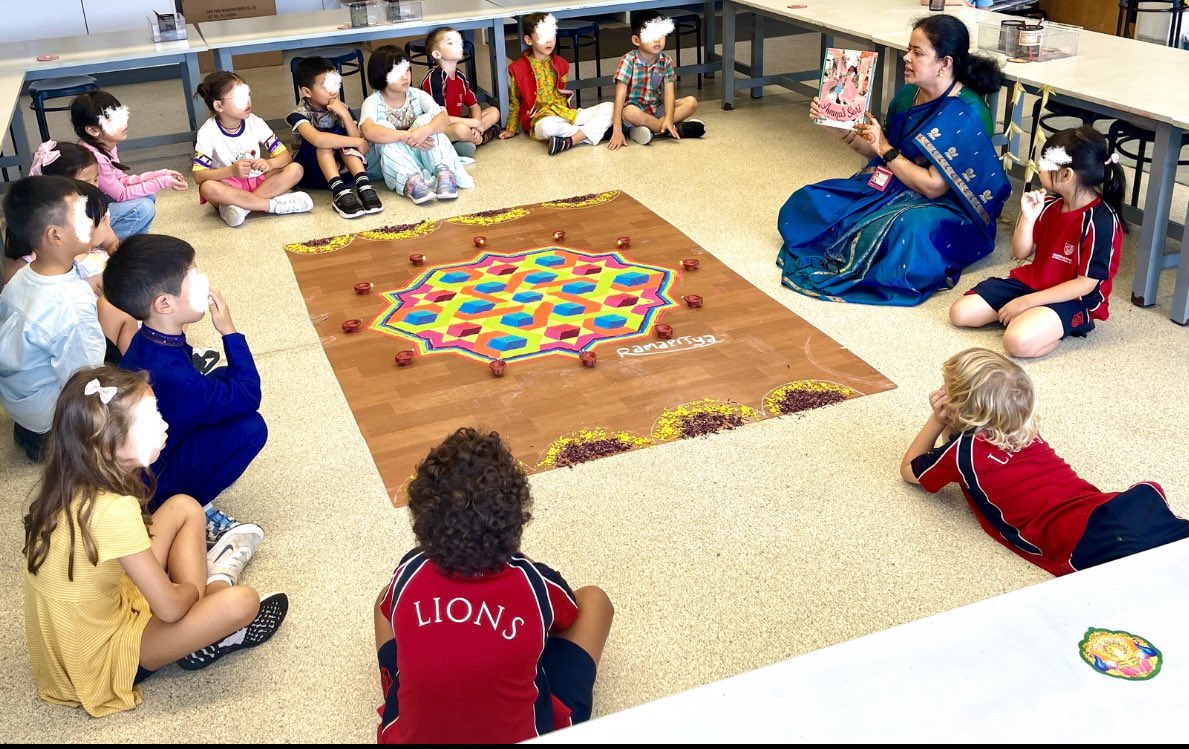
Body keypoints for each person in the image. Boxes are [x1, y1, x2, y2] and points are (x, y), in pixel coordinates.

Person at [22, 365, 287, 717]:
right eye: (148, 420)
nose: (163, 425)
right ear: (107, 446)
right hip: (101, 657)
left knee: (184, 506)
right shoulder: (115, 510)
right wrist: (193, 591)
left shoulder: (69, 485)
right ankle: (211, 606)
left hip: (81, 629)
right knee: (242, 602)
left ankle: (201, 620)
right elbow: (171, 609)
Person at [375, 427, 614, 743]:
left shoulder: (410, 572)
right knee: (596, 600)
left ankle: (398, 686)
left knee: (384, 598)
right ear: (515, 519)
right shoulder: (532, 582)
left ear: (422, 517)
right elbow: (568, 616)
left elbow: (391, 609)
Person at [777, 15, 1010, 306]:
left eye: (917, 52)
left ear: (945, 63)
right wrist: (837, 127)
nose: (906, 57)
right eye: (908, 48)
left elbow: (933, 187)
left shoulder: (969, 112)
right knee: (809, 201)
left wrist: (884, 147)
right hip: (894, 183)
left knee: (909, 230)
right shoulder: (907, 95)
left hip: (946, 205)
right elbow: (878, 153)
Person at [901, 348, 1189, 576]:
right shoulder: (1025, 428)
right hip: (1114, 507)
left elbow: (910, 470)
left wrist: (938, 419)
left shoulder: (964, 452)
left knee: (1149, 578)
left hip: (1080, 539)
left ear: (961, 407)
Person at [103, 234, 266, 546]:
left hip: (144, 456)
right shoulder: (174, 375)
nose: (205, 280)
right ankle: (188, 507)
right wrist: (229, 331)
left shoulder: (148, 339)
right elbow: (249, 395)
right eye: (195, 276)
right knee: (250, 427)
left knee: (221, 377)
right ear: (164, 303)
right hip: (151, 484)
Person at [950, 127, 1125, 358]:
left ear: (1066, 175)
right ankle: (1034, 317)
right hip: (1034, 284)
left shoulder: (1102, 222)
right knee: (960, 314)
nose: (1038, 167)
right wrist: (1028, 218)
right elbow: (1020, 253)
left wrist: (1024, 303)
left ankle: (1065, 323)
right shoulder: (1051, 205)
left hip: (1074, 299)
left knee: (1016, 342)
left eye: (1044, 163)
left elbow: (1085, 284)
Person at [0, 176, 111, 461]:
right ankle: (59, 443)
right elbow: (87, 382)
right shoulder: (72, 308)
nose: (91, 221)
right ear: (55, 235)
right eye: (82, 214)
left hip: (22, 402)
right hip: (52, 424)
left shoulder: (26, 274)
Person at [192, 71, 313, 227]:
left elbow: (285, 157)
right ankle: (273, 206)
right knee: (208, 188)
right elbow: (198, 176)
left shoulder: (255, 122)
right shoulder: (207, 132)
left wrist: (270, 163)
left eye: (247, 94)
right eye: (239, 97)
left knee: (296, 169)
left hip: (259, 181)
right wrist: (231, 171)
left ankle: (241, 208)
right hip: (230, 186)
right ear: (218, 105)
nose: (248, 101)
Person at [360, 45, 473, 205]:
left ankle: (444, 173)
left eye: (407, 70)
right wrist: (406, 136)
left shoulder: (417, 94)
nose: (405, 77)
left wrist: (423, 131)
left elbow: (443, 119)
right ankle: (412, 182)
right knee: (384, 127)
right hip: (390, 161)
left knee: (427, 121)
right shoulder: (373, 102)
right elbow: (369, 131)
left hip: (419, 150)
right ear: (381, 75)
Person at [70, 90, 188, 239]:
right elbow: (121, 194)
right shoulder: (94, 157)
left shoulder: (105, 145)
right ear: (93, 130)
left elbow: (121, 180)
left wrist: (160, 174)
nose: (123, 123)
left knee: (147, 195)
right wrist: (162, 182)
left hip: (98, 203)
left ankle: (135, 243)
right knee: (142, 208)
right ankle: (109, 246)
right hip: (84, 220)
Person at [498, 13, 616, 156]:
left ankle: (571, 140)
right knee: (549, 129)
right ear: (529, 40)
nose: (549, 41)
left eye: (551, 35)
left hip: (567, 114)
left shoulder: (561, 64)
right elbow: (515, 101)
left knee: (611, 107)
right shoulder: (517, 68)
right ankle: (599, 132)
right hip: (541, 119)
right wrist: (511, 128)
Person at [286, 56, 383, 219]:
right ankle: (338, 193)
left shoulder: (341, 108)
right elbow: (318, 140)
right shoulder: (299, 114)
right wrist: (357, 140)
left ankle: (364, 185)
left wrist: (344, 114)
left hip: (344, 171)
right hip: (311, 173)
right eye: (325, 86)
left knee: (341, 137)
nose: (333, 91)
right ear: (307, 92)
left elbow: (361, 146)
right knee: (326, 140)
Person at [607, 11, 704, 149]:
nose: (657, 40)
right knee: (629, 112)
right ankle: (667, 129)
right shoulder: (628, 61)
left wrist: (669, 118)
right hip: (634, 113)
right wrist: (617, 131)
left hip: (656, 108)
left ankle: (656, 128)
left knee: (691, 102)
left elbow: (669, 94)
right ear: (636, 40)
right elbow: (619, 98)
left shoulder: (666, 61)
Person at [418, 26, 502, 157]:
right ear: (437, 54)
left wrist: (476, 126)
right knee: (460, 130)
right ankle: (478, 139)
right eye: (451, 43)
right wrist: (473, 123)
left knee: (494, 112)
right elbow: (441, 119)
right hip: (437, 128)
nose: (458, 46)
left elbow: (474, 105)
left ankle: (470, 140)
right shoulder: (434, 80)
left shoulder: (460, 76)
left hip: (458, 123)